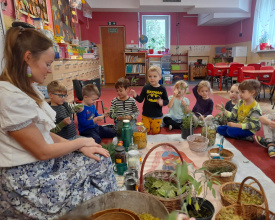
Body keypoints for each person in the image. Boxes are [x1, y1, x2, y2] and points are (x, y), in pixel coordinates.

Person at [0, 27, 117, 219]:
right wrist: (80, 142)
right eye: (47, 63)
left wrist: (79, 147)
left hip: (41, 165)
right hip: (27, 179)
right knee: (96, 173)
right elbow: (42, 150)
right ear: (28, 58)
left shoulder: (27, 89)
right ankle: (102, 210)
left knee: (100, 159)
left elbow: (44, 134)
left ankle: (106, 209)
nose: (50, 70)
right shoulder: (10, 98)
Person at [130, 66, 169, 134]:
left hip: (157, 115)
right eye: (150, 76)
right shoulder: (146, 87)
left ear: (160, 77)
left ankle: (162, 123)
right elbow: (140, 100)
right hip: (146, 115)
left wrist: (162, 102)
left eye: (155, 76)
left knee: (156, 131)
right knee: (145, 131)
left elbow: (167, 100)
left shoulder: (162, 88)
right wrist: (135, 95)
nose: (152, 78)